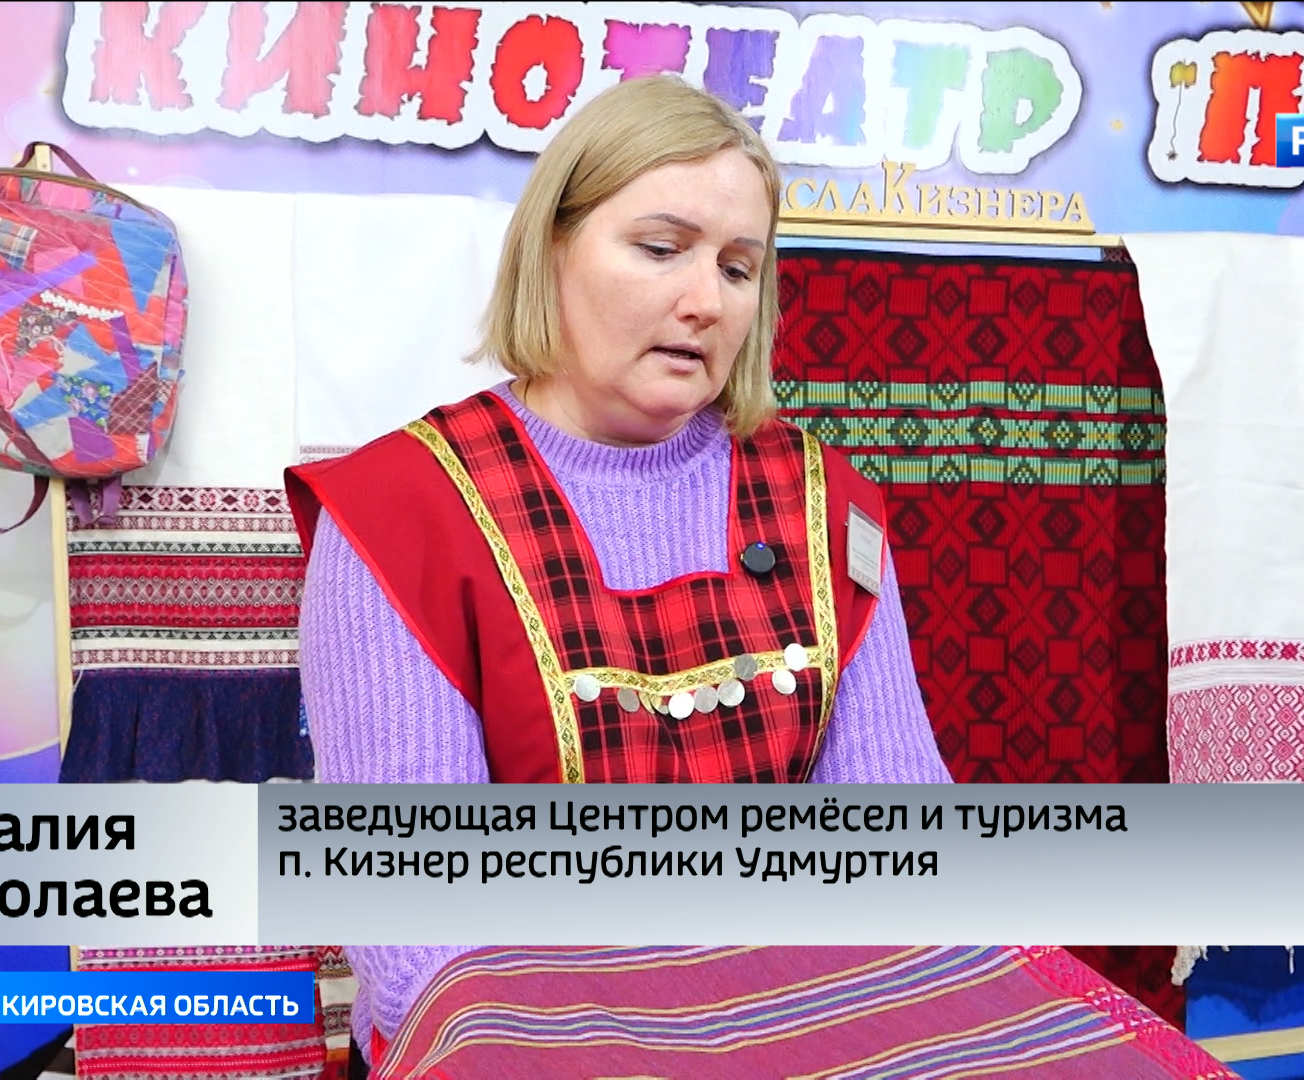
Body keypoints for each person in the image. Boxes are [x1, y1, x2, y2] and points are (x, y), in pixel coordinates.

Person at [284, 74, 953, 1075]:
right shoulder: (399, 514)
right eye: (660, 248)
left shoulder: (826, 503)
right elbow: (421, 939)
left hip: (790, 1037)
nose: (705, 302)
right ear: (551, 247)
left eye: (738, 267)